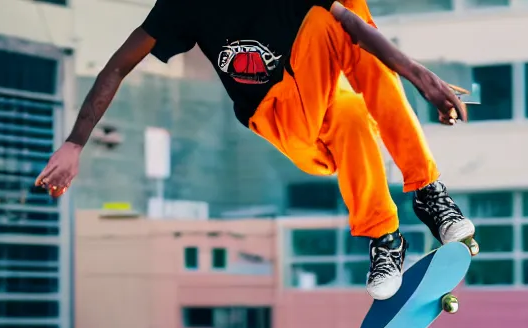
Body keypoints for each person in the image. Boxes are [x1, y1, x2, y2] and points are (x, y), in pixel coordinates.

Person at [35, 0, 477, 301]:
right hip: (277, 115)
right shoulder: (182, 6)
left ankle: (412, 208)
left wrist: (424, 80)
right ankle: (394, 225)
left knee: (348, 80)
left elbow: (359, 30)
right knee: (345, 76)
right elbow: (118, 65)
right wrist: (76, 142)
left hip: (325, 88)